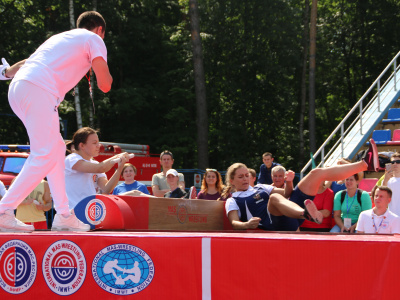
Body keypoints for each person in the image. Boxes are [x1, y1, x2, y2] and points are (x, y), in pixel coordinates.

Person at [0, 11, 112, 232]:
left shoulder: (63, 38)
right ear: (100, 30)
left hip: (21, 88)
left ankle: (63, 215)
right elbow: (105, 85)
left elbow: (26, 62)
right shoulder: (94, 39)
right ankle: (4, 210)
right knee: (43, 154)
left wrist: (6, 71)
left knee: (57, 150)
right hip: (39, 89)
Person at [225, 140, 379, 231]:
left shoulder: (260, 187)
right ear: (232, 181)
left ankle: (365, 164)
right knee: (273, 198)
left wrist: (290, 181)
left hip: (291, 213)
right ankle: (307, 213)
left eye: (247, 175)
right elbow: (234, 222)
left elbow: (286, 194)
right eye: (240, 177)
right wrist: (246, 224)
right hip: (275, 224)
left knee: (316, 173)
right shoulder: (233, 200)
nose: (245, 179)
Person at [65, 127, 130, 210]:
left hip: (88, 213)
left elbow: (107, 188)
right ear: (82, 145)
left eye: (98, 142)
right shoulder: (72, 159)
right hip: (72, 213)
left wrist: (120, 168)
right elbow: (101, 168)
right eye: (94, 143)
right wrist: (117, 156)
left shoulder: (94, 163)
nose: (98, 146)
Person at [382, 152, 400, 216]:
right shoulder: (387, 180)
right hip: (391, 217)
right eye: (392, 162)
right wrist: (385, 180)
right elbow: (382, 195)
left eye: (398, 162)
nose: (395, 164)